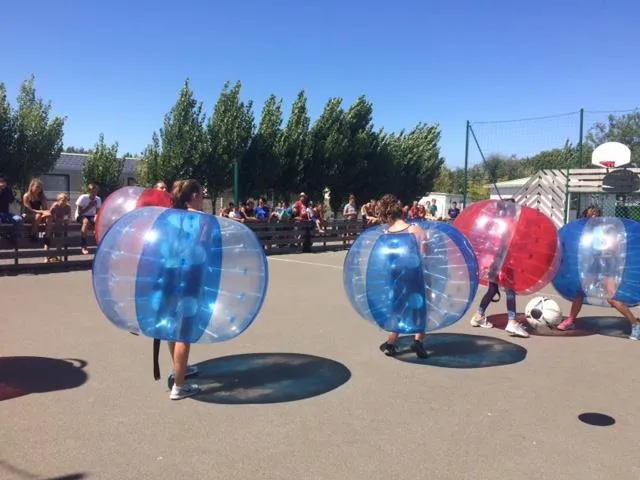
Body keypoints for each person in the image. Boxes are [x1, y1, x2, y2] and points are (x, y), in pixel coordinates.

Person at [557, 207, 640, 339]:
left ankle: (635, 325)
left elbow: (616, 249)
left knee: (613, 299)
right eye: (591, 214)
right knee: (579, 292)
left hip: (608, 268)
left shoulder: (609, 231)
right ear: (585, 216)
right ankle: (571, 320)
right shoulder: (584, 233)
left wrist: (605, 251)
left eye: (596, 215)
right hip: (592, 267)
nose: (594, 217)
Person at [376, 194, 429, 359]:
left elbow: (383, 262)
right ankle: (418, 342)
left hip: (396, 279)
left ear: (389, 215)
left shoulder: (386, 233)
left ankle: (391, 344)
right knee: (419, 309)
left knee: (397, 309)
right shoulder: (417, 230)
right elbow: (425, 258)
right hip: (415, 277)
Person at [165, 179, 203, 400]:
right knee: (184, 330)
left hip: (169, 274)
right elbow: (201, 246)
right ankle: (179, 387)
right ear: (195, 196)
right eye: (202, 195)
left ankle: (180, 368)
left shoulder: (169, 216)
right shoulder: (198, 219)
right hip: (188, 274)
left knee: (173, 324)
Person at [469, 199, 529, 338]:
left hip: (492, 261)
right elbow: (511, 242)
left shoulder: (496, 222)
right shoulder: (510, 223)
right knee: (510, 290)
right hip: (504, 260)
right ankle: (512, 322)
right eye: (514, 207)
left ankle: (478, 316)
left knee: (493, 289)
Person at [75, 184, 102, 255]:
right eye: (92, 192)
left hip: (91, 216)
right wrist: (90, 206)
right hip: (81, 215)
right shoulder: (83, 198)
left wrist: (96, 217)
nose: (94, 194)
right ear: (89, 191)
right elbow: (80, 212)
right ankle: (83, 245)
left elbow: (97, 212)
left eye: (96, 192)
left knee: (99, 223)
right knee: (86, 222)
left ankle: (100, 244)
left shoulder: (98, 199)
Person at [0, 174, 23, 240]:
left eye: (4, 181)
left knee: (18, 219)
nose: (2, 183)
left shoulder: (8, 189)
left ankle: (12, 235)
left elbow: (11, 200)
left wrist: (5, 190)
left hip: (6, 213)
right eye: (1, 181)